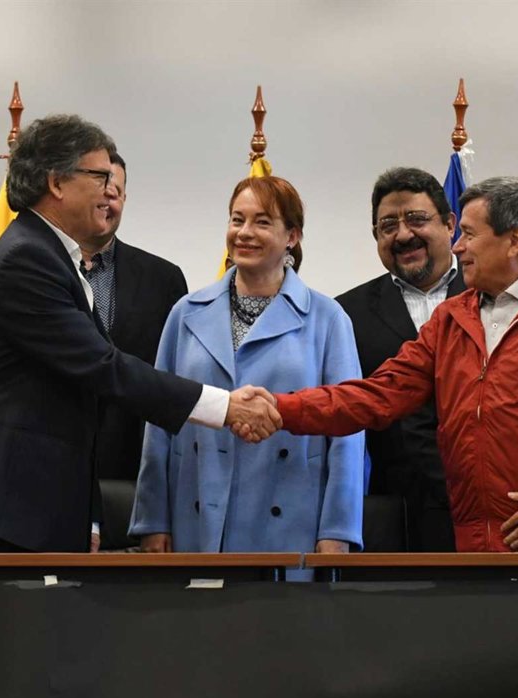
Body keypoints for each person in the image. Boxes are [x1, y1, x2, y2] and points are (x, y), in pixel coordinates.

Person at [0, 114, 279, 553]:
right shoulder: (25, 259)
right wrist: (225, 406)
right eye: (100, 177)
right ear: (56, 183)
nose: (111, 190)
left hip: (19, 508)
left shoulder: (48, 254)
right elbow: (103, 367)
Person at [249, 176, 518, 552]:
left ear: (514, 240)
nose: (458, 246)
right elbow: (379, 395)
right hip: (470, 546)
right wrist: (280, 408)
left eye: (470, 235)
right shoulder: (451, 319)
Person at [129, 176, 365, 557]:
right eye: (237, 219)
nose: (244, 232)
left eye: (262, 222)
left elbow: (348, 430)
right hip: (195, 516)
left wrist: (338, 529)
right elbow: (159, 420)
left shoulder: (328, 318)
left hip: (294, 522)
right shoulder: (185, 314)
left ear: (292, 236)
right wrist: (152, 520)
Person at [335, 167, 465, 551]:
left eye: (417, 219)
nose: (404, 234)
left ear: (450, 224)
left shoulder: (491, 297)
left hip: (491, 513)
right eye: (388, 225)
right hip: (391, 522)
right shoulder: (346, 314)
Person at [85, 152, 189, 482]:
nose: (106, 200)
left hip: (135, 471)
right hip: (47, 467)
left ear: (125, 199)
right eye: (98, 189)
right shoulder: (39, 269)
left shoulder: (164, 280)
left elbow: (174, 377)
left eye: (114, 192)